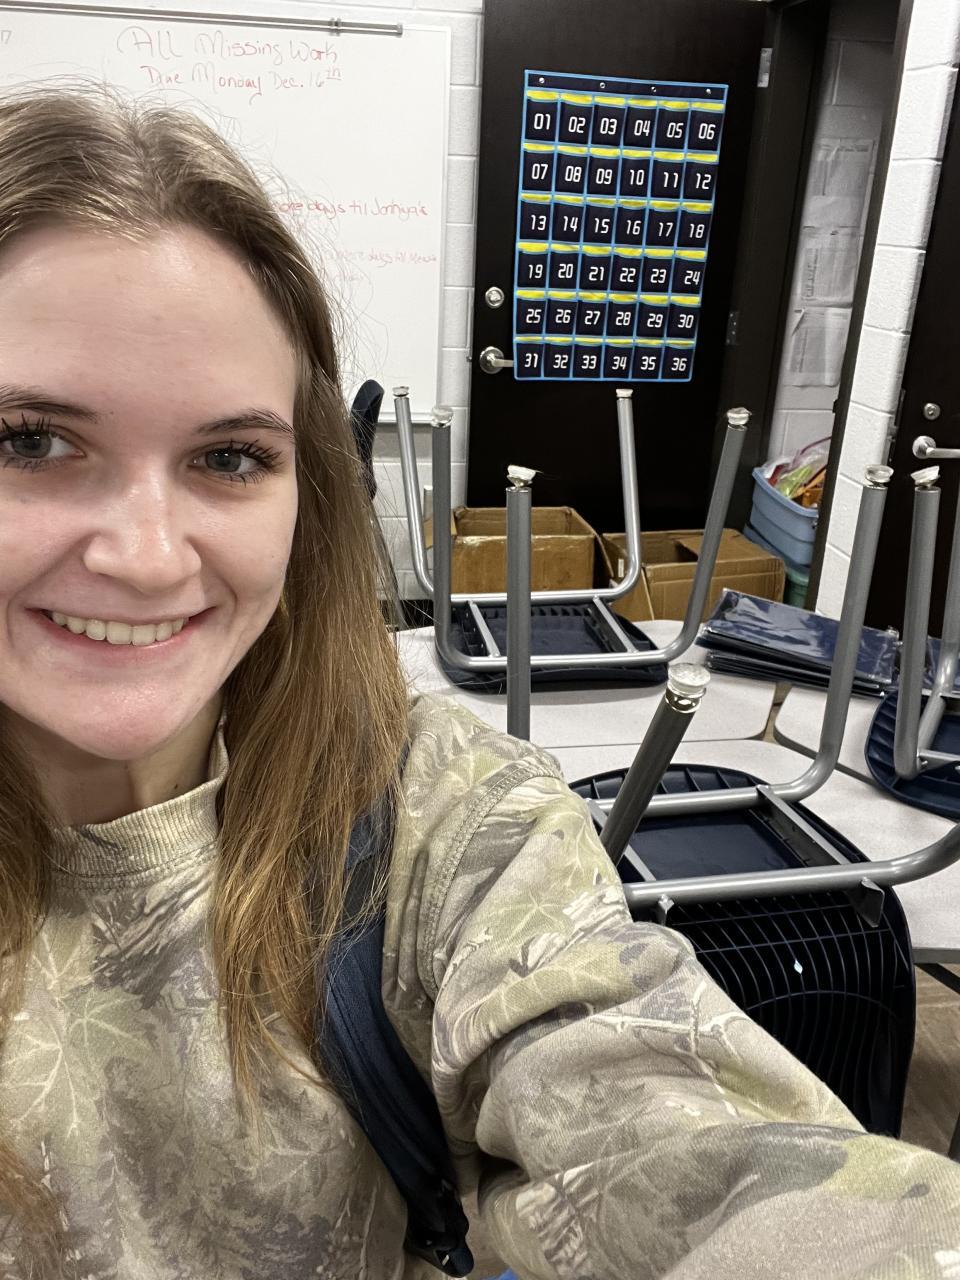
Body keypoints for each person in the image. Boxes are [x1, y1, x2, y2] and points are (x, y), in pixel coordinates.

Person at [0, 85, 957, 1280]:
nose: (146, 556)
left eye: (230, 456)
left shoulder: (439, 823)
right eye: (30, 440)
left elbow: (675, 1129)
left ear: (306, 490)